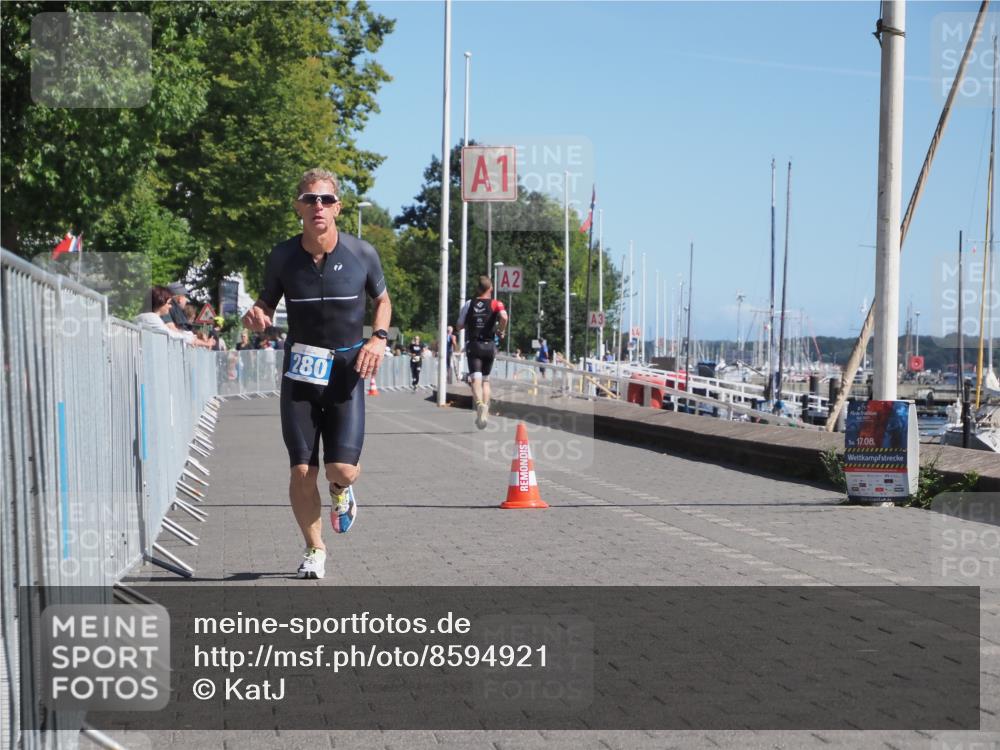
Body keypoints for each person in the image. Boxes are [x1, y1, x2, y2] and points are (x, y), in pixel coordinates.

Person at [242, 168, 391, 580]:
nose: (318, 207)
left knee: (340, 470)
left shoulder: (362, 253)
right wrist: (256, 317)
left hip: (346, 374)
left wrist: (378, 338)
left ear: (338, 207)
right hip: (301, 374)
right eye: (310, 200)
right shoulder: (283, 257)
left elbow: (383, 301)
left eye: (325, 200)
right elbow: (264, 308)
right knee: (302, 470)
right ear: (298, 207)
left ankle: (342, 492)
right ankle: (314, 548)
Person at [456, 275, 507, 429]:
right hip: (489, 346)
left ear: (478, 289)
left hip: (474, 345)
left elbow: (459, 325)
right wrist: (501, 330)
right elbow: (504, 317)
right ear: (490, 289)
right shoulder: (496, 303)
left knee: (475, 380)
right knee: (486, 380)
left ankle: (479, 405)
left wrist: (469, 323)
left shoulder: (469, 304)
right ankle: (485, 406)